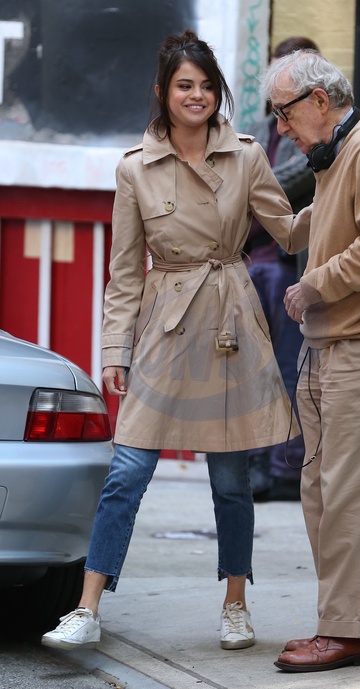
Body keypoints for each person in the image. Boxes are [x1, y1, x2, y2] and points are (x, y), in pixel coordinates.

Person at [41, 29, 304, 653]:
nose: (197, 96)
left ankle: (235, 604)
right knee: (127, 471)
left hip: (228, 326)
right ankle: (86, 608)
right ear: (162, 91)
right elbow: (124, 271)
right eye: (185, 85)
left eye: (207, 86)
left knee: (231, 479)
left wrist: (338, 178)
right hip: (164, 325)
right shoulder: (134, 167)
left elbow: (290, 232)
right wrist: (115, 350)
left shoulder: (246, 157)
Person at [260, 51, 360, 672]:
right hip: (333, 344)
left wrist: (314, 284)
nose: (282, 129)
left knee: (351, 491)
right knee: (322, 490)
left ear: (319, 101)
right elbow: (321, 221)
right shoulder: (337, 152)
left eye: (285, 114)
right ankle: (356, 619)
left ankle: (346, 632)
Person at [243, 36, 319, 502]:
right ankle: (255, 462)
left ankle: (284, 468)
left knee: (291, 370)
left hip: (290, 267)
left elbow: (291, 181)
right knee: (252, 369)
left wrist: (246, 192)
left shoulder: (318, 132)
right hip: (249, 262)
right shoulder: (256, 128)